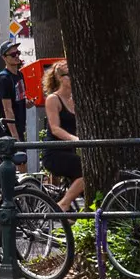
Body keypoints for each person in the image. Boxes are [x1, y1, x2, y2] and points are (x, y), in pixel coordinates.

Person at [42, 62, 85, 210]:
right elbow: (55, 129)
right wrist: (76, 140)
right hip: (55, 153)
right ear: (60, 78)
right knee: (86, 171)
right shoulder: (53, 99)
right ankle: (63, 204)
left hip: (70, 152)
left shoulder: (75, 100)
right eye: (69, 75)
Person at [0, 40, 29, 142]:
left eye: (18, 53)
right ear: (4, 57)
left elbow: (19, 98)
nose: (17, 56)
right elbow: (7, 109)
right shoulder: (4, 78)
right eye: (13, 54)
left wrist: (27, 103)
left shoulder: (20, 75)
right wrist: (15, 136)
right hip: (9, 133)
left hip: (19, 128)